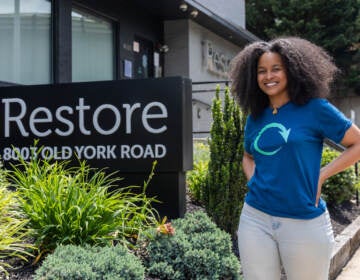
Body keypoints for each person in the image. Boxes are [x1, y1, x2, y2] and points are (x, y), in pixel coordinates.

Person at [229, 37, 360, 280]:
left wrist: (321, 175)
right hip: (255, 217)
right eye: (262, 71)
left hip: (303, 221)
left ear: (292, 70)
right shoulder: (256, 117)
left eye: (276, 68)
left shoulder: (315, 109)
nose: (269, 76)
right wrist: (253, 180)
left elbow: (357, 143)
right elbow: (248, 156)